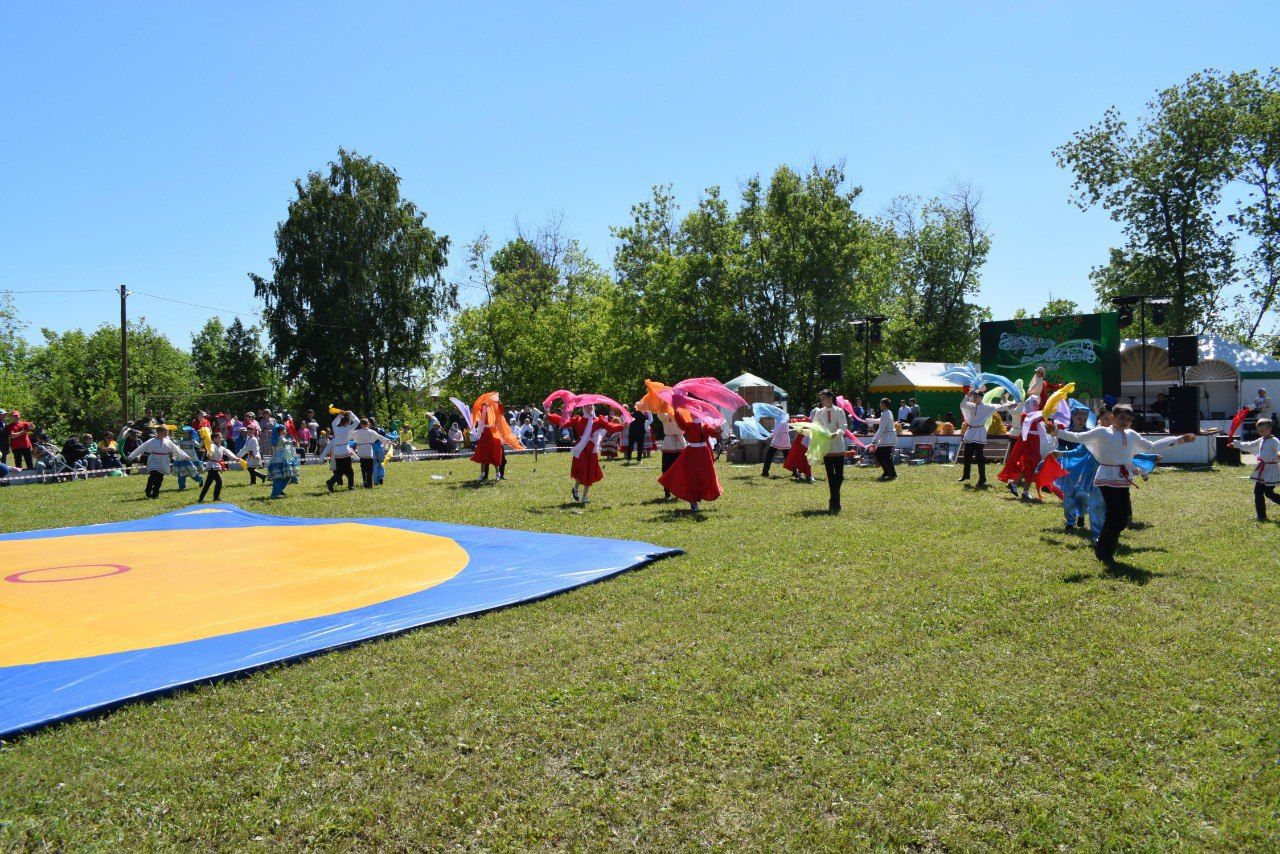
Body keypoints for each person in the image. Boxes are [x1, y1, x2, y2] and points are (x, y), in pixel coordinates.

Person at [1047, 404, 1194, 565]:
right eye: (1122, 418)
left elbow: (1151, 447)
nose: (1125, 422)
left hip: (1123, 479)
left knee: (1122, 519)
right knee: (1114, 514)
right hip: (1105, 476)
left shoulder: (1131, 435)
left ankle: (1107, 548)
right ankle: (1102, 548)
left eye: (1129, 420)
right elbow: (1077, 438)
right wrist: (1056, 432)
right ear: (1113, 418)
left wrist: (1179, 440)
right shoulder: (1102, 432)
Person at [657, 392, 723, 512]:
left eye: (693, 413)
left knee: (702, 476)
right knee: (691, 476)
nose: (691, 414)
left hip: (701, 454)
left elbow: (715, 433)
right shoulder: (691, 425)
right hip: (693, 453)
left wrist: (718, 430)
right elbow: (680, 422)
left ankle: (699, 496)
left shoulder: (704, 426)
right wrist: (676, 409)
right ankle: (693, 501)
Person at [548, 405, 625, 504]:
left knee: (590, 471)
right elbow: (564, 423)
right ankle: (576, 488)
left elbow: (610, 426)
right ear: (583, 408)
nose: (590, 407)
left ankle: (584, 496)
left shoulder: (598, 420)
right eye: (587, 406)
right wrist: (549, 415)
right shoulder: (578, 419)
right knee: (581, 469)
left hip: (591, 449)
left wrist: (623, 426)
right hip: (581, 448)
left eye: (591, 406)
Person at [958, 390, 1018, 488]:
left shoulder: (986, 407)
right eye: (974, 396)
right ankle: (966, 475)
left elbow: (998, 407)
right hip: (970, 432)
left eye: (977, 396)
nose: (975, 398)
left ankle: (982, 479)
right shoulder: (970, 405)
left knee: (979, 457)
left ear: (981, 398)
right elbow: (962, 404)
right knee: (967, 455)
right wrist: (967, 395)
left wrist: (1011, 404)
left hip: (979, 433)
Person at [1233, 418, 1280, 522]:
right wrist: (1236, 444)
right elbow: (1250, 445)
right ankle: (1261, 516)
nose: (1260, 432)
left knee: (1268, 493)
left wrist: (1279, 453)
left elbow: (1279, 448)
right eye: (1258, 430)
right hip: (1262, 470)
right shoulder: (1261, 440)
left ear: (1270, 429)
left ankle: (1262, 515)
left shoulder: (1274, 441)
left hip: (1271, 470)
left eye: (1262, 430)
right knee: (1257, 492)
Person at [811, 389, 850, 512]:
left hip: (838, 446)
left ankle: (834, 498)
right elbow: (815, 425)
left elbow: (843, 426)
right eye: (821, 399)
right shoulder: (819, 412)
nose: (822, 401)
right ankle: (834, 503)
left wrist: (836, 433)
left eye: (823, 398)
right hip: (826, 447)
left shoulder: (839, 411)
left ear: (830, 398)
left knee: (839, 476)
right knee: (830, 476)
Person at [128, 425, 191, 499]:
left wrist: (185, 456)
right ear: (160, 432)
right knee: (154, 474)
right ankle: (148, 489)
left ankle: (155, 494)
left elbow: (176, 449)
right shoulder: (151, 441)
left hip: (164, 460)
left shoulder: (168, 441)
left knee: (160, 478)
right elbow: (140, 448)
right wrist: (131, 456)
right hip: (154, 459)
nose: (167, 433)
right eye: (166, 431)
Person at [197, 431, 243, 502]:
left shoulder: (221, 447)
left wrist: (235, 458)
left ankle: (201, 498)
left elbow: (228, 452)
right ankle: (216, 497)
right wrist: (210, 453)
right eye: (220, 437)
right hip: (212, 466)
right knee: (219, 482)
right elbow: (211, 451)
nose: (221, 438)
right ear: (214, 439)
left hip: (214, 466)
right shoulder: (212, 446)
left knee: (208, 483)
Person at [325, 409, 359, 492]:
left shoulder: (336, 428)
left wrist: (340, 415)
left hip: (337, 452)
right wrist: (350, 413)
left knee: (339, 471)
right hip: (345, 451)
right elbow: (357, 421)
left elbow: (334, 423)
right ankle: (351, 486)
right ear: (348, 422)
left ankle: (331, 482)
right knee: (349, 471)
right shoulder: (349, 428)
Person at [267, 425, 301, 499]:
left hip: (281, 459)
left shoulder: (279, 438)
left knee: (284, 476)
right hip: (280, 460)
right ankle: (275, 494)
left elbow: (287, 445)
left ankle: (278, 491)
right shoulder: (281, 437)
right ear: (281, 431)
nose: (286, 431)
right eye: (285, 430)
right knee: (282, 477)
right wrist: (293, 442)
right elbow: (287, 443)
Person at [869, 397, 898, 482]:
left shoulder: (885, 413)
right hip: (888, 437)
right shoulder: (887, 412)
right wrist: (869, 421)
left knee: (880, 454)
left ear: (885, 405)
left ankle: (888, 472)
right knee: (885, 456)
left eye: (881, 403)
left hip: (888, 437)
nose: (880, 405)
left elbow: (882, 427)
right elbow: (880, 421)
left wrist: (875, 439)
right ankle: (890, 473)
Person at [351, 418, 383, 488]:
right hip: (368, 452)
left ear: (361, 424)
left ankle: (365, 482)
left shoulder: (357, 432)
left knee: (363, 468)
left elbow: (349, 436)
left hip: (361, 452)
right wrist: (387, 441)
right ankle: (369, 483)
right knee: (369, 469)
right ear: (368, 424)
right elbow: (379, 437)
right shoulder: (371, 431)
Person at [760, 411, 791, 477]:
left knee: (769, 455)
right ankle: (795, 471)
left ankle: (765, 472)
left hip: (779, 439)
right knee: (787, 456)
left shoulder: (779, 419)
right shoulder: (785, 417)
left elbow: (776, 430)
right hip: (784, 439)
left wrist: (770, 436)